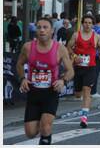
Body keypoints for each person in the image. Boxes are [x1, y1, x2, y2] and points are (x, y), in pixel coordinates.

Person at [17, 17, 74, 145]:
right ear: (36, 30)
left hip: (51, 92)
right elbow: (19, 64)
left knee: (46, 126)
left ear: (52, 31)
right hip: (33, 92)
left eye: (45, 27)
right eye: (39, 27)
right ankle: (40, 126)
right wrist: (22, 78)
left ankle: (45, 136)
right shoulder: (28, 47)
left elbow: (70, 71)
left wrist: (63, 81)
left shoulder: (60, 48)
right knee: (30, 133)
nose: (42, 30)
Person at [67, 15, 100, 128]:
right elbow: (68, 47)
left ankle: (84, 117)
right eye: (86, 22)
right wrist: (74, 55)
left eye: (90, 23)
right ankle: (83, 100)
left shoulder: (96, 36)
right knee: (78, 94)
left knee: (87, 90)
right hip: (78, 67)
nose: (87, 25)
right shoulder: (76, 35)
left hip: (90, 67)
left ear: (93, 24)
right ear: (82, 23)